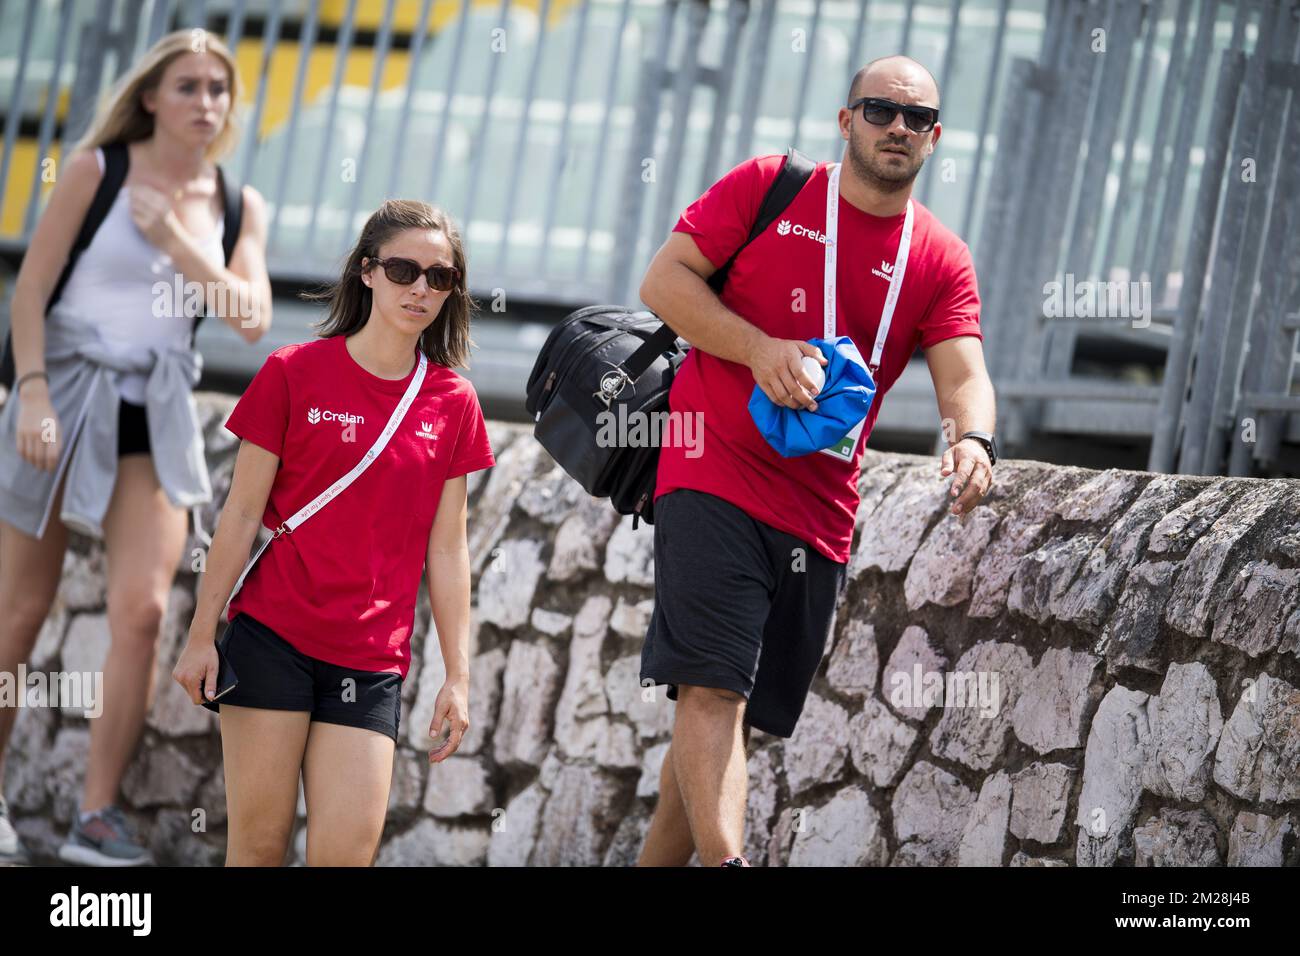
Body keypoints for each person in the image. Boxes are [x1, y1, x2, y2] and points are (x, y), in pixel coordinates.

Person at [634, 55, 998, 866]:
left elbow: (964, 372)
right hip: (710, 468)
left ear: (935, 140)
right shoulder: (773, 186)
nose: (897, 127)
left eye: (917, 119)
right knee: (712, 686)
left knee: (725, 719)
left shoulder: (939, 256)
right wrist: (758, 349)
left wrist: (971, 437)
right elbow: (665, 282)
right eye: (879, 110)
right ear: (846, 121)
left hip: (818, 515)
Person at [0, 29, 272, 866]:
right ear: (150, 96)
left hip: (151, 414)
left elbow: (252, 320)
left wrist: (181, 243)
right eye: (187, 86)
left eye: (218, 90)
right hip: (63, 395)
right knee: (17, 613)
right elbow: (32, 289)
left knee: (146, 613)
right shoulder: (97, 170)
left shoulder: (237, 202)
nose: (205, 103)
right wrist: (31, 391)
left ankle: (96, 815)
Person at [172, 199, 495, 867]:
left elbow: (448, 547)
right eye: (405, 270)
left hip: (371, 661)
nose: (421, 289)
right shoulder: (293, 372)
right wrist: (203, 633)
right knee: (258, 849)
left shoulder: (454, 402)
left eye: (441, 278)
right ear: (367, 272)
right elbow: (239, 515)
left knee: (346, 856)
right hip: (273, 639)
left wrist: (458, 676)